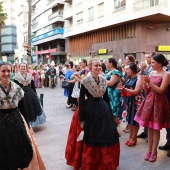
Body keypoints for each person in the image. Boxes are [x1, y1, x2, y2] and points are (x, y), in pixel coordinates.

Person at [0, 62, 45, 170]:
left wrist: (28, 126)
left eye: (8, 71)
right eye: (3, 71)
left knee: (20, 149)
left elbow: (23, 108)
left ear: (11, 72)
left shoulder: (17, 88)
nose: (6, 73)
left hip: (17, 121)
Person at [79, 58, 120, 169]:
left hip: (104, 110)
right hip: (91, 111)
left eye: (99, 66)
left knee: (106, 135)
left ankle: (106, 162)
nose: (98, 68)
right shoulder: (85, 81)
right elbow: (81, 101)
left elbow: (106, 98)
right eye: (95, 65)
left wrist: (111, 114)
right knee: (94, 136)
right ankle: (94, 163)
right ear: (90, 67)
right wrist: (81, 119)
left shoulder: (103, 79)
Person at [134, 54, 170, 162]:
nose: (151, 64)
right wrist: (145, 84)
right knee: (149, 127)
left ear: (159, 63)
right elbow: (147, 90)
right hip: (149, 101)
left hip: (159, 102)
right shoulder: (152, 72)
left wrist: (149, 82)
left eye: (153, 62)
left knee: (155, 128)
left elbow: (161, 90)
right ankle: (148, 151)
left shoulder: (166, 74)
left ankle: (154, 152)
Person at [118, 63, 143, 146]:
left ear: (132, 70)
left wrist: (125, 89)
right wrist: (121, 90)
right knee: (129, 120)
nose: (126, 71)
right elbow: (126, 90)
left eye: (128, 69)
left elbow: (136, 91)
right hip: (128, 101)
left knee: (134, 121)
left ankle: (134, 138)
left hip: (135, 101)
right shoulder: (128, 78)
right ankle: (130, 136)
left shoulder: (139, 78)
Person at [137, 52, 155, 139]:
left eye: (149, 57)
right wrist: (142, 70)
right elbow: (142, 77)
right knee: (146, 113)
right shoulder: (147, 67)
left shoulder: (156, 69)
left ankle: (150, 134)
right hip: (146, 91)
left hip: (153, 93)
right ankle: (146, 131)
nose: (148, 59)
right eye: (147, 57)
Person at [105, 58, 123, 125]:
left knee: (114, 110)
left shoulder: (115, 72)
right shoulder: (108, 71)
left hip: (114, 93)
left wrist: (102, 80)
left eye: (107, 62)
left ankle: (114, 125)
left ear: (111, 63)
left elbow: (111, 83)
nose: (106, 64)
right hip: (108, 92)